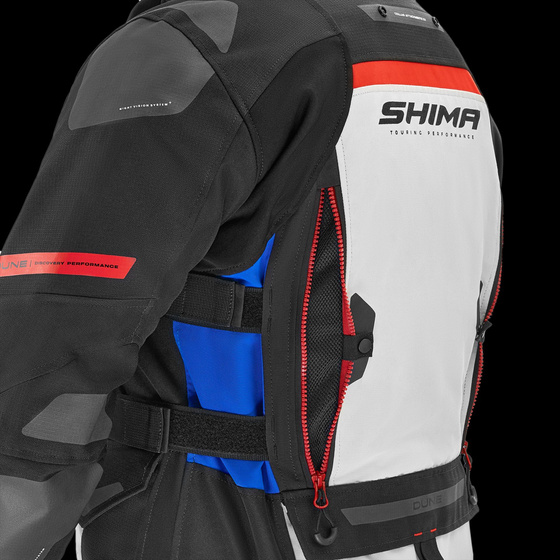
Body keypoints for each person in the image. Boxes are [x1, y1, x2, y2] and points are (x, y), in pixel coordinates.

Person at [0, 1, 503, 559]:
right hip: (427, 531)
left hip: (206, 526)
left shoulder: (193, 49)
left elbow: (48, 359)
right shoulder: (435, 56)